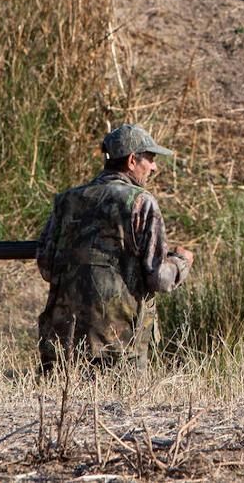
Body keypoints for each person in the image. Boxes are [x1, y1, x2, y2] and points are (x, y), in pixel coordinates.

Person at [36, 124, 194, 372]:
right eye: (150, 159)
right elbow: (159, 279)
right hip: (119, 346)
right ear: (132, 160)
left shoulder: (66, 200)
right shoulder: (141, 202)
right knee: (120, 411)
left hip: (61, 343)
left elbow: (46, 266)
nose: (154, 167)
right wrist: (180, 263)